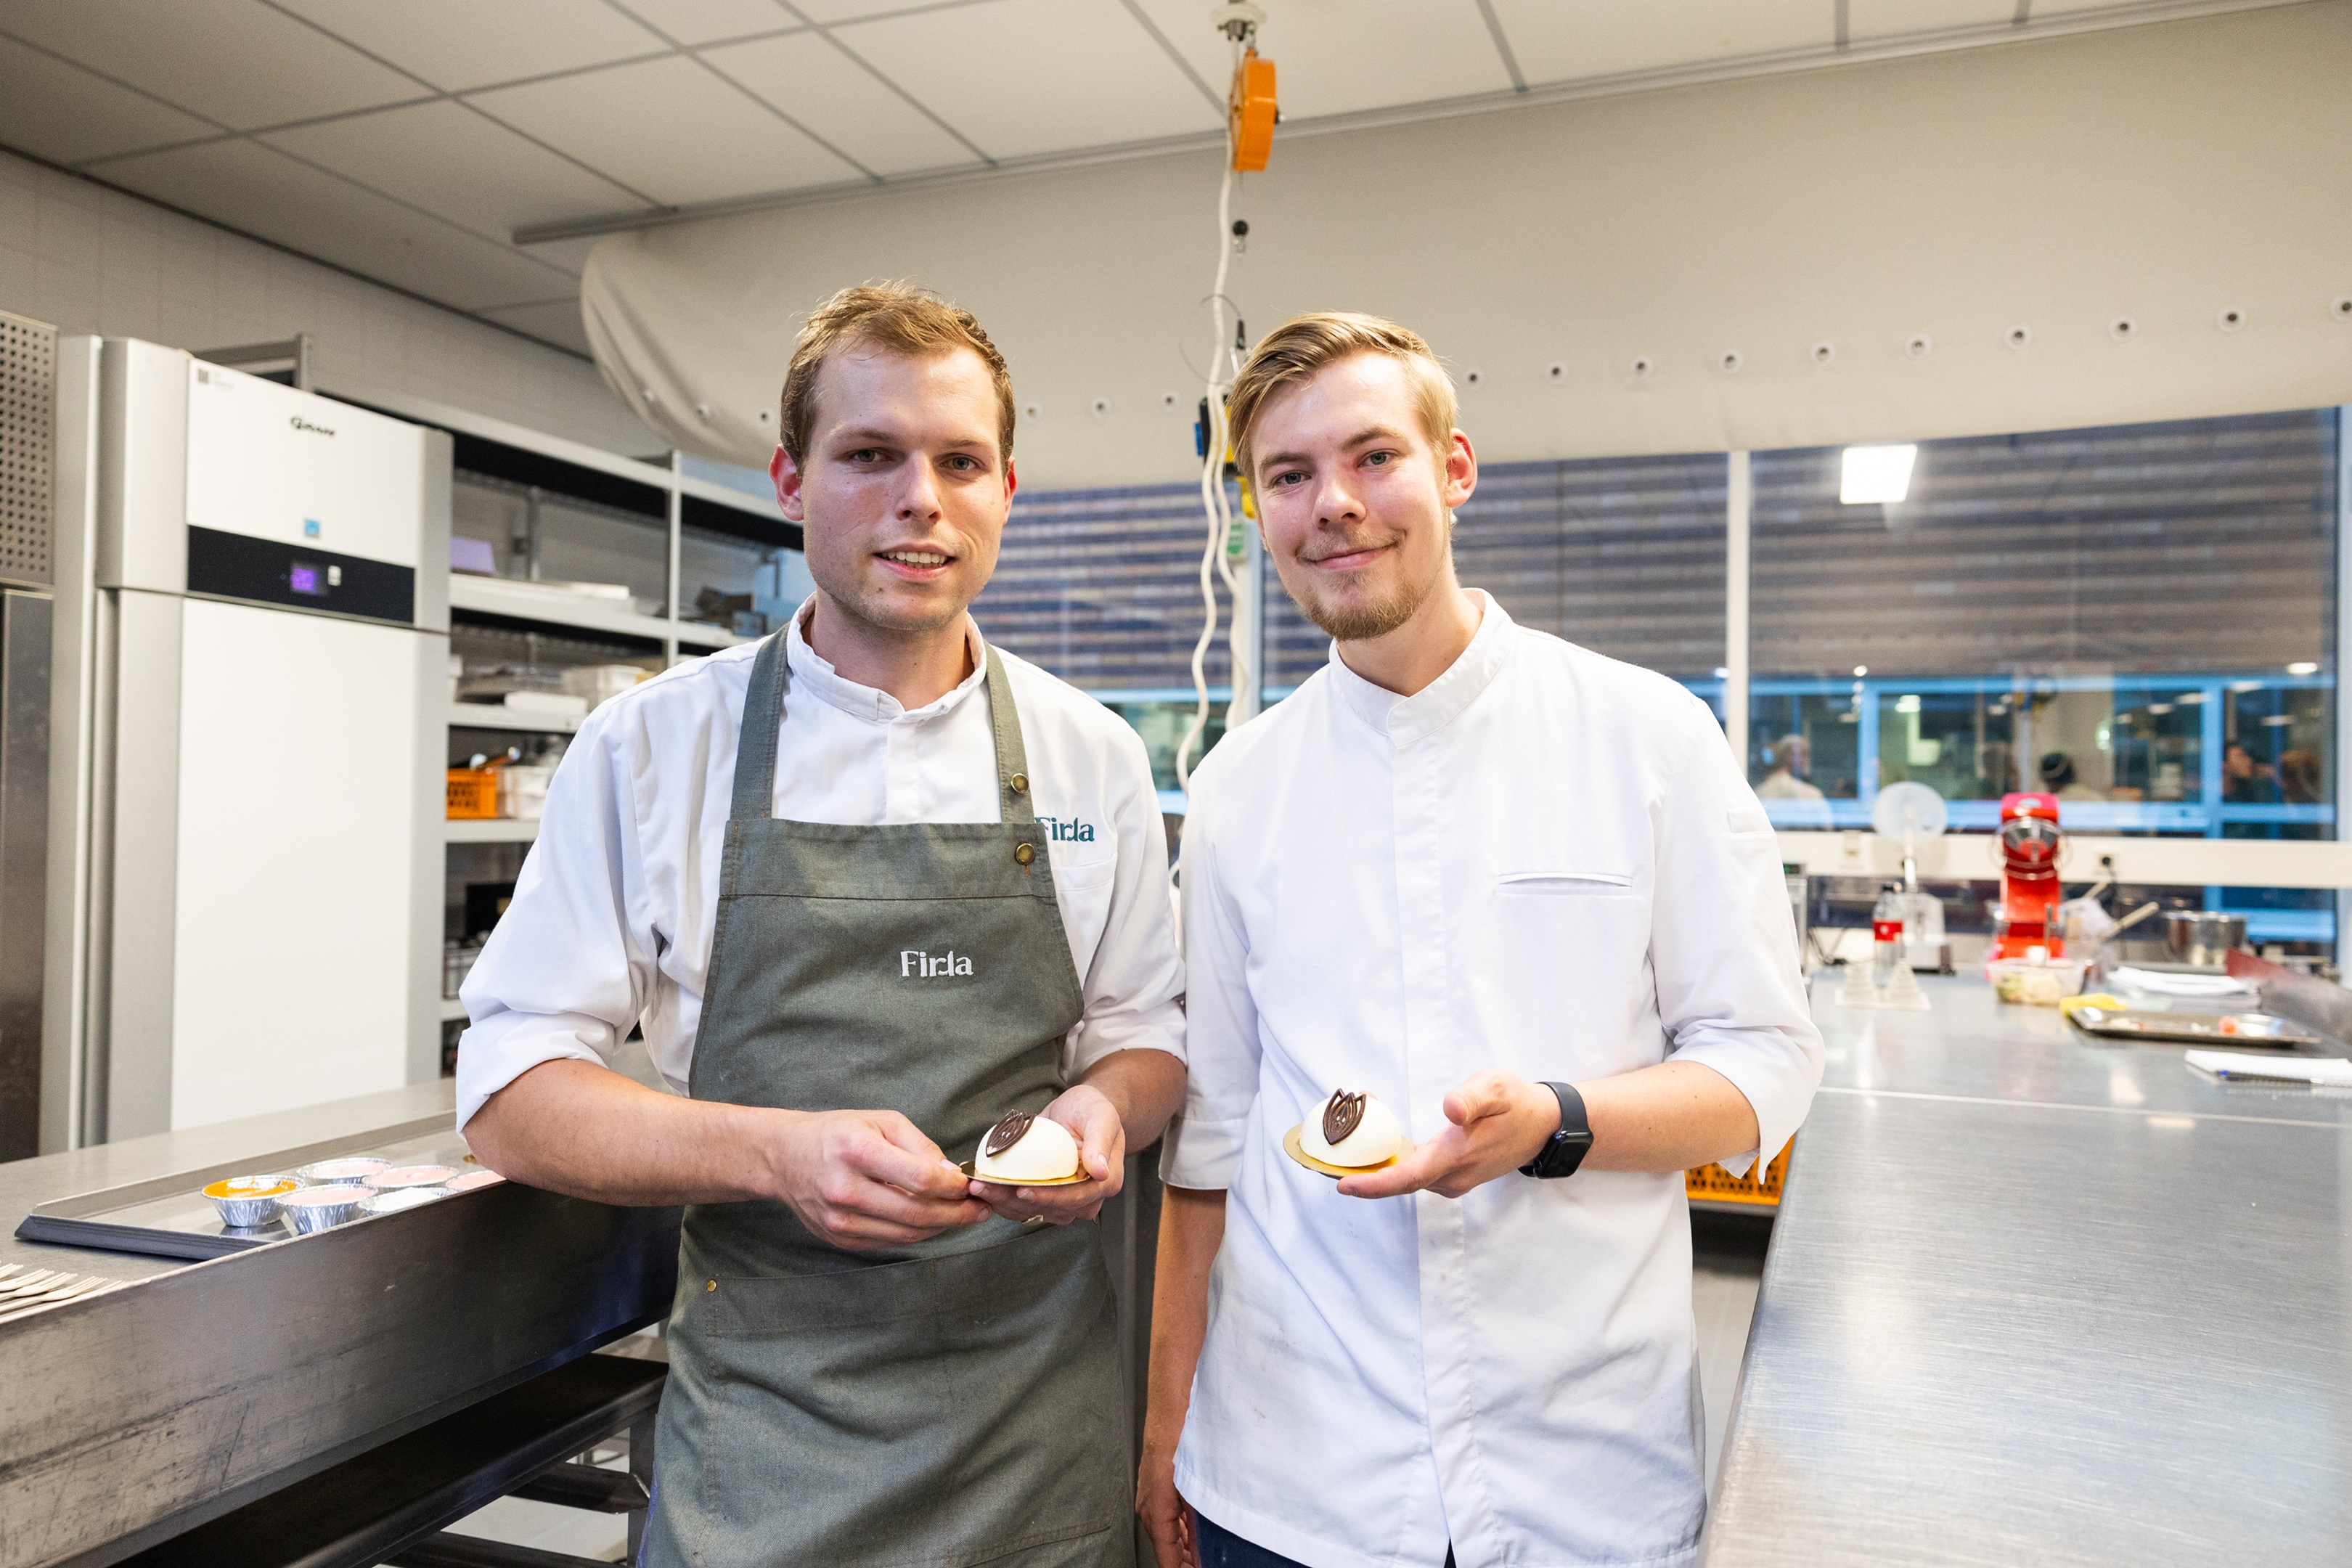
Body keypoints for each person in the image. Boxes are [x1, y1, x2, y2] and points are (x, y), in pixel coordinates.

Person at [459, 284, 1186, 1568]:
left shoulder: (1093, 759)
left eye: (961, 461)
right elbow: (510, 1091)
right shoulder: (653, 749)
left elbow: (1146, 1036)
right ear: (791, 478)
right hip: (767, 1456)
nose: (923, 497)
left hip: (1034, 1449)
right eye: (870, 456)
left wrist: (1106, 1112)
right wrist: (776, 1156)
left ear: (1007, 488)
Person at [1138, 314, 1824, 1568]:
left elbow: (1767, 1067)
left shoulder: (1647, 737)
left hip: (1581, 1475)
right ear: (1256, 514)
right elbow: (1218, 1132)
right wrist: (1164, 1419)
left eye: (1372, 457)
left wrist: (1558, 1120)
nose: (1333, 505)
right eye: (1287, 477)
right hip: (1295, 1479)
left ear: (1455, 468)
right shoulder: (1240, 786)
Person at [1753, 732, 1824, 799]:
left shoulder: (1758, 792)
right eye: (1795, 755)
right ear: (1783, 757)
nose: (1802, 760)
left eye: (1805, 755)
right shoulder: (1812, 795)